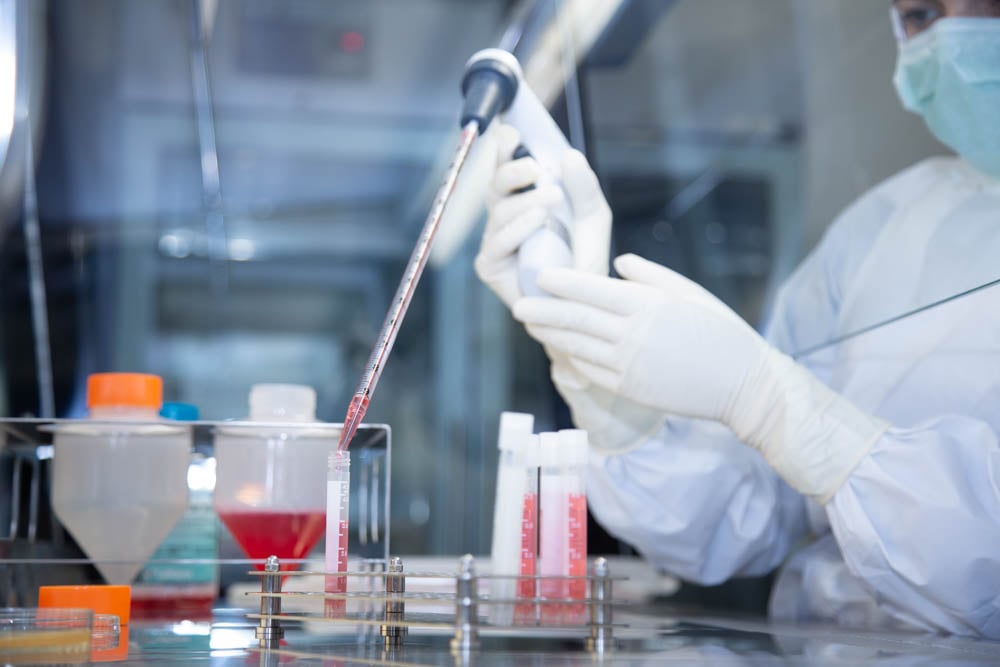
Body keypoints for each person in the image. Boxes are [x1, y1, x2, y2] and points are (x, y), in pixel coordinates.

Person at [475, 0, 1000, 638]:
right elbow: (732, 522)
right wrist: (600, 379)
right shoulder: (889, 223)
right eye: (922, 12)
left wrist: (775, 403)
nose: (954, 38)